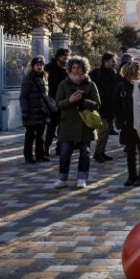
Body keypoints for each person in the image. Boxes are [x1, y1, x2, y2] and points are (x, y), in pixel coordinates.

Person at [53, 56, 100, 190]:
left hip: (85, 124)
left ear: (84, 69)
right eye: (73, 68)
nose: (76, 70)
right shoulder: (64, 84)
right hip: (67, 124)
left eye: (79, 68)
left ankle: (82, 178)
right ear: (69, 69)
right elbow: (58, 104)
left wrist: (83, 101)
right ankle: (62, 178)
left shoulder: (90, 85)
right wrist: (70, 101)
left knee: (85, 153)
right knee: (65, 153)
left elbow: (97, 104)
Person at [113, 61, 140, 186]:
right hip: (128, 125)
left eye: (139, 73)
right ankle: (132, 176)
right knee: (130, 152)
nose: (137, 76)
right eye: (134, 74)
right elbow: (117, 106)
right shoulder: (122, 87)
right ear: (128, 74)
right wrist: (120, 121)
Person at [19, 56, 51, 163]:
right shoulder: (28, 79)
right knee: (30, 135)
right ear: (33, 66)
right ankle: (28, 156)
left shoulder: (44, 77)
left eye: (41, 65)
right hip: (31, 111)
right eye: (37, 65)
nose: (39, 67)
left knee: (40, 136)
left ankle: (40, 155)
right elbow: (23, 96)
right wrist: (25, 110)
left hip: (42, 111)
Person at [88, 52, 118, 163]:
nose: (114, 63)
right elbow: (88, 87)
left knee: (107, 131)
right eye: (112, 61)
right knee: (103, 130)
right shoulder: (96, 73)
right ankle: (97, 153)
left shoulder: (113, 73)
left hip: (110, 107)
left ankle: (101, 152)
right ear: (105, 61)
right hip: (99, 107)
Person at [43, 47, 70, 156]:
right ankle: (46, 147)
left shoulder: (68, 68)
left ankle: (60, 148)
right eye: (64, 56)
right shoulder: (50, 67)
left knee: (63, 126)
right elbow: (42, 75)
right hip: (53, 100)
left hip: (65, 100)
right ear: (58, 56)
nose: (66, 58)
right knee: (52, 126)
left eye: (67, 56)